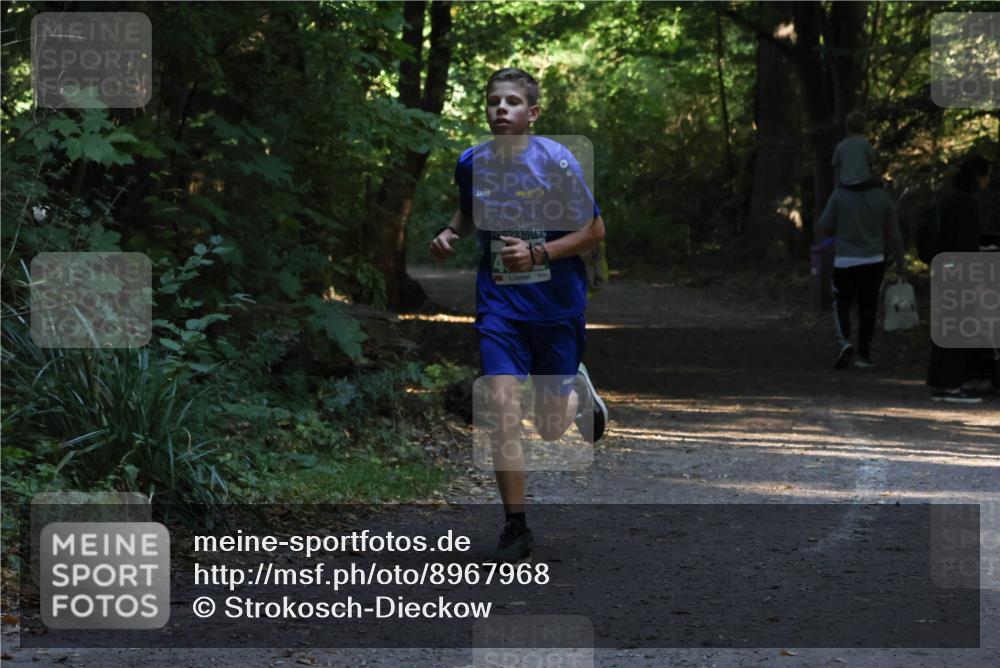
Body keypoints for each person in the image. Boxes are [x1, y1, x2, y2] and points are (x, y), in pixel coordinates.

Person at [429, 67, 608, 562]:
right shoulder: (472, 162)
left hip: (555, 306)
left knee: (550, 427)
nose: (501, 109)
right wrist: (450, 232)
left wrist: (539, 254)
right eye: (493, 102)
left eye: (511, 102)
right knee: (502, 406)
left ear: (533, 113)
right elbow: (469, 211)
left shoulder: (557, 161)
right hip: (500, 308)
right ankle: (516, 525)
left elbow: (594, 232)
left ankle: (576, 390)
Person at [815, 178, 906, 369]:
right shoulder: (882, 197)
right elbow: (894, 234)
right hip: (873, 259)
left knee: (841, 303)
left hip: (844, 260)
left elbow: (824, 223)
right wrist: (900, 262)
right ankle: (864, 354)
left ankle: (844, 342)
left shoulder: (839, 196)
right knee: (868, 307)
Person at [927, 155, 992, 404]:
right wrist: (979, 281)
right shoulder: (968, 203)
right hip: (961, 271)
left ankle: (940, 381)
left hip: (945, 266)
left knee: (946, 324)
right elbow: (966, 244)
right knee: (961, 326)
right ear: (978, 177)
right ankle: (952, 385)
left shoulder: (947, 198)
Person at [832, 110, 878, 190]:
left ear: (847, 127)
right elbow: (873, 160)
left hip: (846, 183)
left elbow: (835, 163)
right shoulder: (865, 144)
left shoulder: (841, 145)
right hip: (864, 181)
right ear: (863, 128)